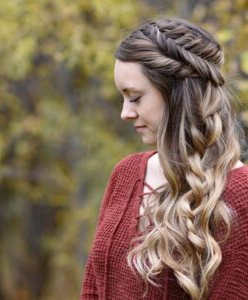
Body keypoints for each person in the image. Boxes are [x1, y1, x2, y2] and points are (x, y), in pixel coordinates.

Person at [80, 18, 248, 300]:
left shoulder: (241, 195)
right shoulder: (126, 174)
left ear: (176, 94)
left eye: (135, 98)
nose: (125, 113)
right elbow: (93, 290)